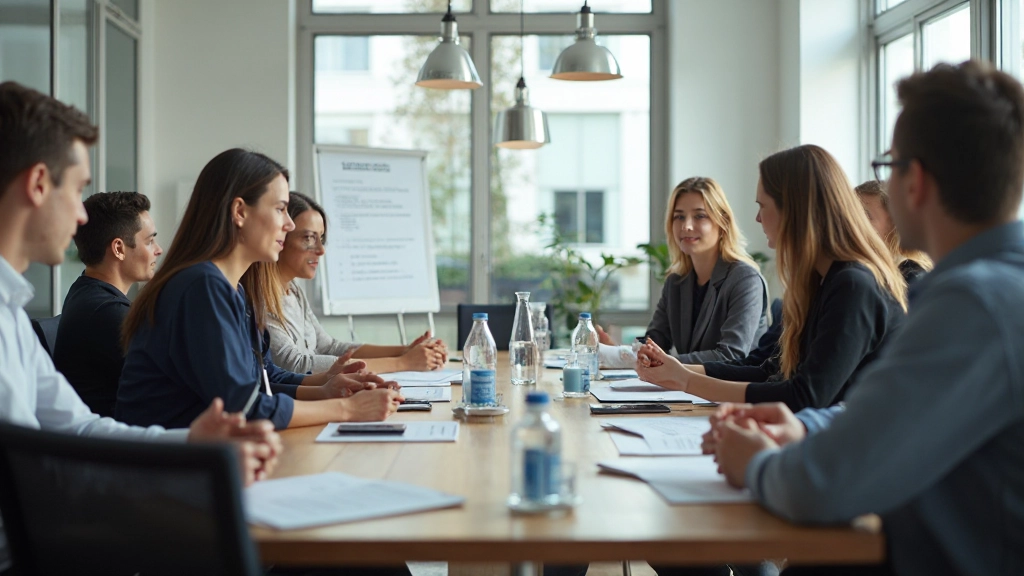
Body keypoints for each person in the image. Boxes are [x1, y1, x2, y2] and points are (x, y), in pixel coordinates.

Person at [709, 60, 1024, 576]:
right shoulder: (991, 288)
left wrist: (755, 464)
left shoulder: (973, 306)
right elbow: (899, 413)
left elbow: (824, 485)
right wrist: (806, 426)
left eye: (888, 167)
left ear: (914, 181)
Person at [0, 81, 281, 574]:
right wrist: (193, 469)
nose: (82, 215)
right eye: (78, 190)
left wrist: (193, 446)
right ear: (39, 184)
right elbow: (36, 478)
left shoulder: (11, 315)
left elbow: (81, 428)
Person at [117, 148, 403, 431]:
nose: (289, 224)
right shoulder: (202, 286)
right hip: (168, 457)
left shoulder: (234, 290)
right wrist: (347, 409)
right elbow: (243, 408)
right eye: (280, 209)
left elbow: (263, 379)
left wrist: (326, 389)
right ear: (239, 212)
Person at [637, 145, 907, 412]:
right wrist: (680, 372)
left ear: (794, 210)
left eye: (762, 205)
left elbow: (805, 396)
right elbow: (770, 371)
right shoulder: (820, 280)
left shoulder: (853, 284)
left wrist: (686, 381)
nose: (757, 218)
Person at [265, 192, 448, 374]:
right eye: (308, 238)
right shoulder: (261, 300)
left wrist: (405, 351)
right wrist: (402, 363)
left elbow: (329, 347)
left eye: (321, 238)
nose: (321, 250)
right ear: (279, 238)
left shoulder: (294, 291)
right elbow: (296, 365)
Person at [597, 177, 768, 365]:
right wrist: (621, 353)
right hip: (689, 383)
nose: (686, 226)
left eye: (699, 216)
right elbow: (656, 340)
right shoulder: (676, 282)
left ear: (722, 223)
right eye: (679, 217)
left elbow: (731, 355)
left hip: (734, 384)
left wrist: (666, 363)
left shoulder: (745, 280)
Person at [52, 191, 162, 416]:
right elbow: (169, 382)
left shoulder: (85, 291)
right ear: (119, 249)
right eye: (150, 241)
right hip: (112, 436)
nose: (158, 250)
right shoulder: (107, 313)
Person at [855, 179, 932, 284]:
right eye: (852, 215)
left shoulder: (912, 278)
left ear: (895, 227)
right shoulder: (864, 270)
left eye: (865, 215)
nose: (853, 223)